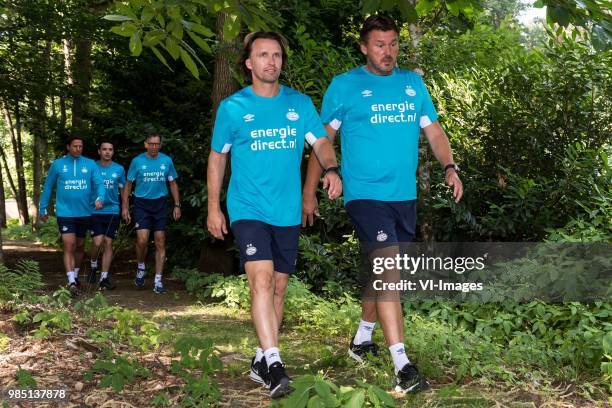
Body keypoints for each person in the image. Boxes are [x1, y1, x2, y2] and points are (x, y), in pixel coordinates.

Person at [302, 14, 464, 393]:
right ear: (363, 47)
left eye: (393, 44)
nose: (388, 52)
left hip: (403, 196)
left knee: (384, 270)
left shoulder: (412, 83)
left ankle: (362, 339)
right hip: (365, 195)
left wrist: (450, 167)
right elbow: (321, 142)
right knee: (389, 268)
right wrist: (311, 190)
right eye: (379, 45)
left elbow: (434, 131)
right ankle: (402, 366)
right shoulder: (345, 86)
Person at [206, 31, 342, 399]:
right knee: (262, 281)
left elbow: (321, 142)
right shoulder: (233, 108)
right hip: (248, 209)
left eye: (277, 55)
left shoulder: (299, 104)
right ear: (248, 63)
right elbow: (218, 157)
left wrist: (330, 170)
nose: (272, 61)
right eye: (263, 55)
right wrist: (213, 206)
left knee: (279, 287)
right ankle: (276, 367)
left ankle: (260, 359)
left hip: (286, 212)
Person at [39, 136, 105, 297]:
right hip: (65, 212)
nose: (78, 149)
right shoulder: (58, 164)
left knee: (81, 246)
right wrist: (42, 208)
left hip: (85, 212)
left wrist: (100, 198)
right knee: (70, 244)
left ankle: (74, 276)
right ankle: (71, 281)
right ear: (68, 147)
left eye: (80, 146)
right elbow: (48, 186)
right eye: (75, 146)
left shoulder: (90, 164)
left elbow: (99, 184)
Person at [122, 132, 181, 294]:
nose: (154, 147)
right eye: (151, 144)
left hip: (160, 204)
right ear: (145, 144)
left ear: (160, 145)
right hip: (142, 204)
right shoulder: (137, 161)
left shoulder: (166, 160)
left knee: (160, 240)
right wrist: (125, 206)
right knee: (142, 240)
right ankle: (141, 268)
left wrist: (177, 205)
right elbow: (128, 184)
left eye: (157, 144)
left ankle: (158, 280)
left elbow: (173, 183)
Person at [87, 141, 125, 290]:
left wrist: (125, 208)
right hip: (94, 211)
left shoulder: (119, 169)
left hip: (113, 210)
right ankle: (93, 265)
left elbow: (123, 190)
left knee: (108, 242)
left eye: (110, 149)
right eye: (104, 149)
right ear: (99, 151)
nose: (107, 152)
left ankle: (104, 278)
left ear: (113, 152)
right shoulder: (91, 167)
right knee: (97, 242)